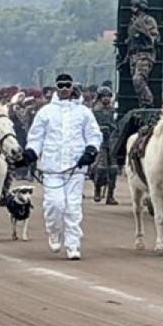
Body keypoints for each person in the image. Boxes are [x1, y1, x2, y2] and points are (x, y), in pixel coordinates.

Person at [23, 74, 102, 260]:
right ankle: (54, 232)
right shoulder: (46, 112)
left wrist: (90, 151)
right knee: (55, 204)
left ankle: (73, 244)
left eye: (68, 85)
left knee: (73, 206)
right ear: (56, 88)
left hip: (76, 167)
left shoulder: (84, 112)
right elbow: (36, 137)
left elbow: (94, 135)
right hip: (52, 167)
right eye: (61, 85)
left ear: (72, 87)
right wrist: (31, 153)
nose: (65, 88)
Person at [125, 0, 160, 107]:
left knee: (138, 79)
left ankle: (148, 103)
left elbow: (154, 38)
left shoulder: (148, 20)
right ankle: (142, 105)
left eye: (135, 6)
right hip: (133, 56)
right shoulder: (132, 23)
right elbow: (131, 42)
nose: (132, 8)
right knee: (137, 83)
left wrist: (142, 28)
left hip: (145, 54)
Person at [90, 87, 119, 205]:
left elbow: (115, 124)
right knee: (101, 168)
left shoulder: (113, 110)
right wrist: (101, 129)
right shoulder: (94, 111)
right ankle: (97, 189)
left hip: (111, 141)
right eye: (104, 96)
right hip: (99, 141)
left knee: (113, 169)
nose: (106, 98)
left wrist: (113, 128)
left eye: (108, 96)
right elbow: (91, 126)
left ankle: (110, 195)